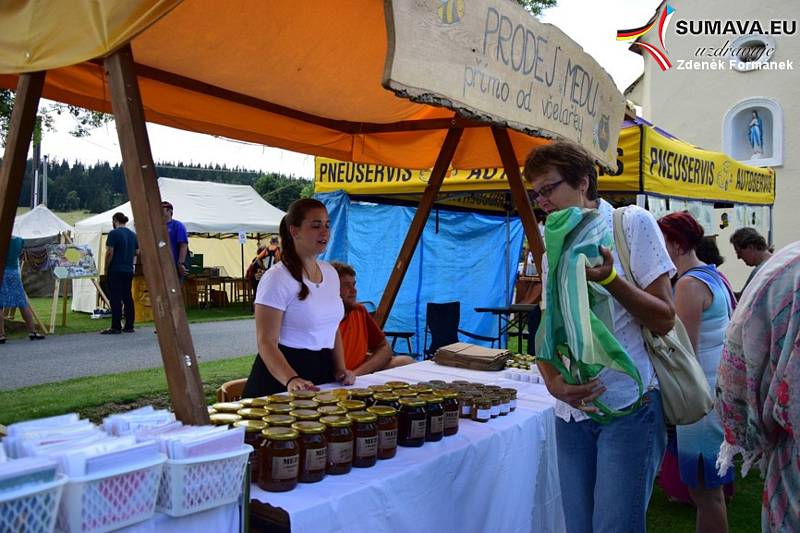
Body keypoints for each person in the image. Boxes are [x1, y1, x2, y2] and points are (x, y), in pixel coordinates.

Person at [524, 140, 675, 533]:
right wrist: (552, 381)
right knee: (578, 527)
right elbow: (548, 328)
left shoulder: (629, 223)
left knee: (615, 527)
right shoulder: (551, 246)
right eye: (535, 193)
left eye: (548, 188)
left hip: (629, 405)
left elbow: (665, 318)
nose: (541, 201)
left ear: (584, 183)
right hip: (571, 414)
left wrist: (611, 280)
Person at [658, 212, 735, 533]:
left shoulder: (689, 284)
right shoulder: (711, 275)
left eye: (659, 243)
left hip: (700, 397)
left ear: (675, 245)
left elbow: (682, 350)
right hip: (713, 389)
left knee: (705, 492)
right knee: (705, 490)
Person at [717, 241, 800, 532]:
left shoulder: (784, 271)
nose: (738, 257)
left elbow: (740, 374)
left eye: (740, 252)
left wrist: (750, 430)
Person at [242, 199, 356, 396]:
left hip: (323, 375)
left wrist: (340, 369)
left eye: (327, 225)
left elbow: (332, 328)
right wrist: (291, 379)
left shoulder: (330, 273)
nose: (324, 232)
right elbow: (266, 342)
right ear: (295, 231)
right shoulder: (276, 278)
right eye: (316, 226)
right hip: (279, 381)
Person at [330, 261, 415, 375]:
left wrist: (357, 373)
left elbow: (384, 347)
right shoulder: (322, 317)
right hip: (335, 378)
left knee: (406, 361)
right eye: (346, 285)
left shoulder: (359, 311)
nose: (354, 291)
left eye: (354, 284)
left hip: (356, 373)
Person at [0, 235, 45, 342]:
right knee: (22, 302)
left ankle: (1, 335)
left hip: (2, 272)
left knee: (0, 304)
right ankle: (32, 331)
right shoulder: (19, 240)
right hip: (14, 273)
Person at [101, 212, 139, 334]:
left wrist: (106, 268)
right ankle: (129, 325)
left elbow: (109, 252)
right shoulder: (133, 235)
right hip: (128, 269)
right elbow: (138, 252)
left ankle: (116, 326)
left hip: (116, 269)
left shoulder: (113, 233)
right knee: (127, 297)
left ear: (115, 220)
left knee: (115, 297)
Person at [729, 227, 772, 294]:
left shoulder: (760, 272)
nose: (738, 257)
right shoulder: (776, 262)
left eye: (739, 252)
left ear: (751, 247)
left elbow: (742, 299)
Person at [161, 201, 188, 280]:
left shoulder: (177, 225)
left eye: (162, 208)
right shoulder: (158, 227)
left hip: (174, 267)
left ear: (170, 211)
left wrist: (180, 264)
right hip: (161, 266)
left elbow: (183, 245)